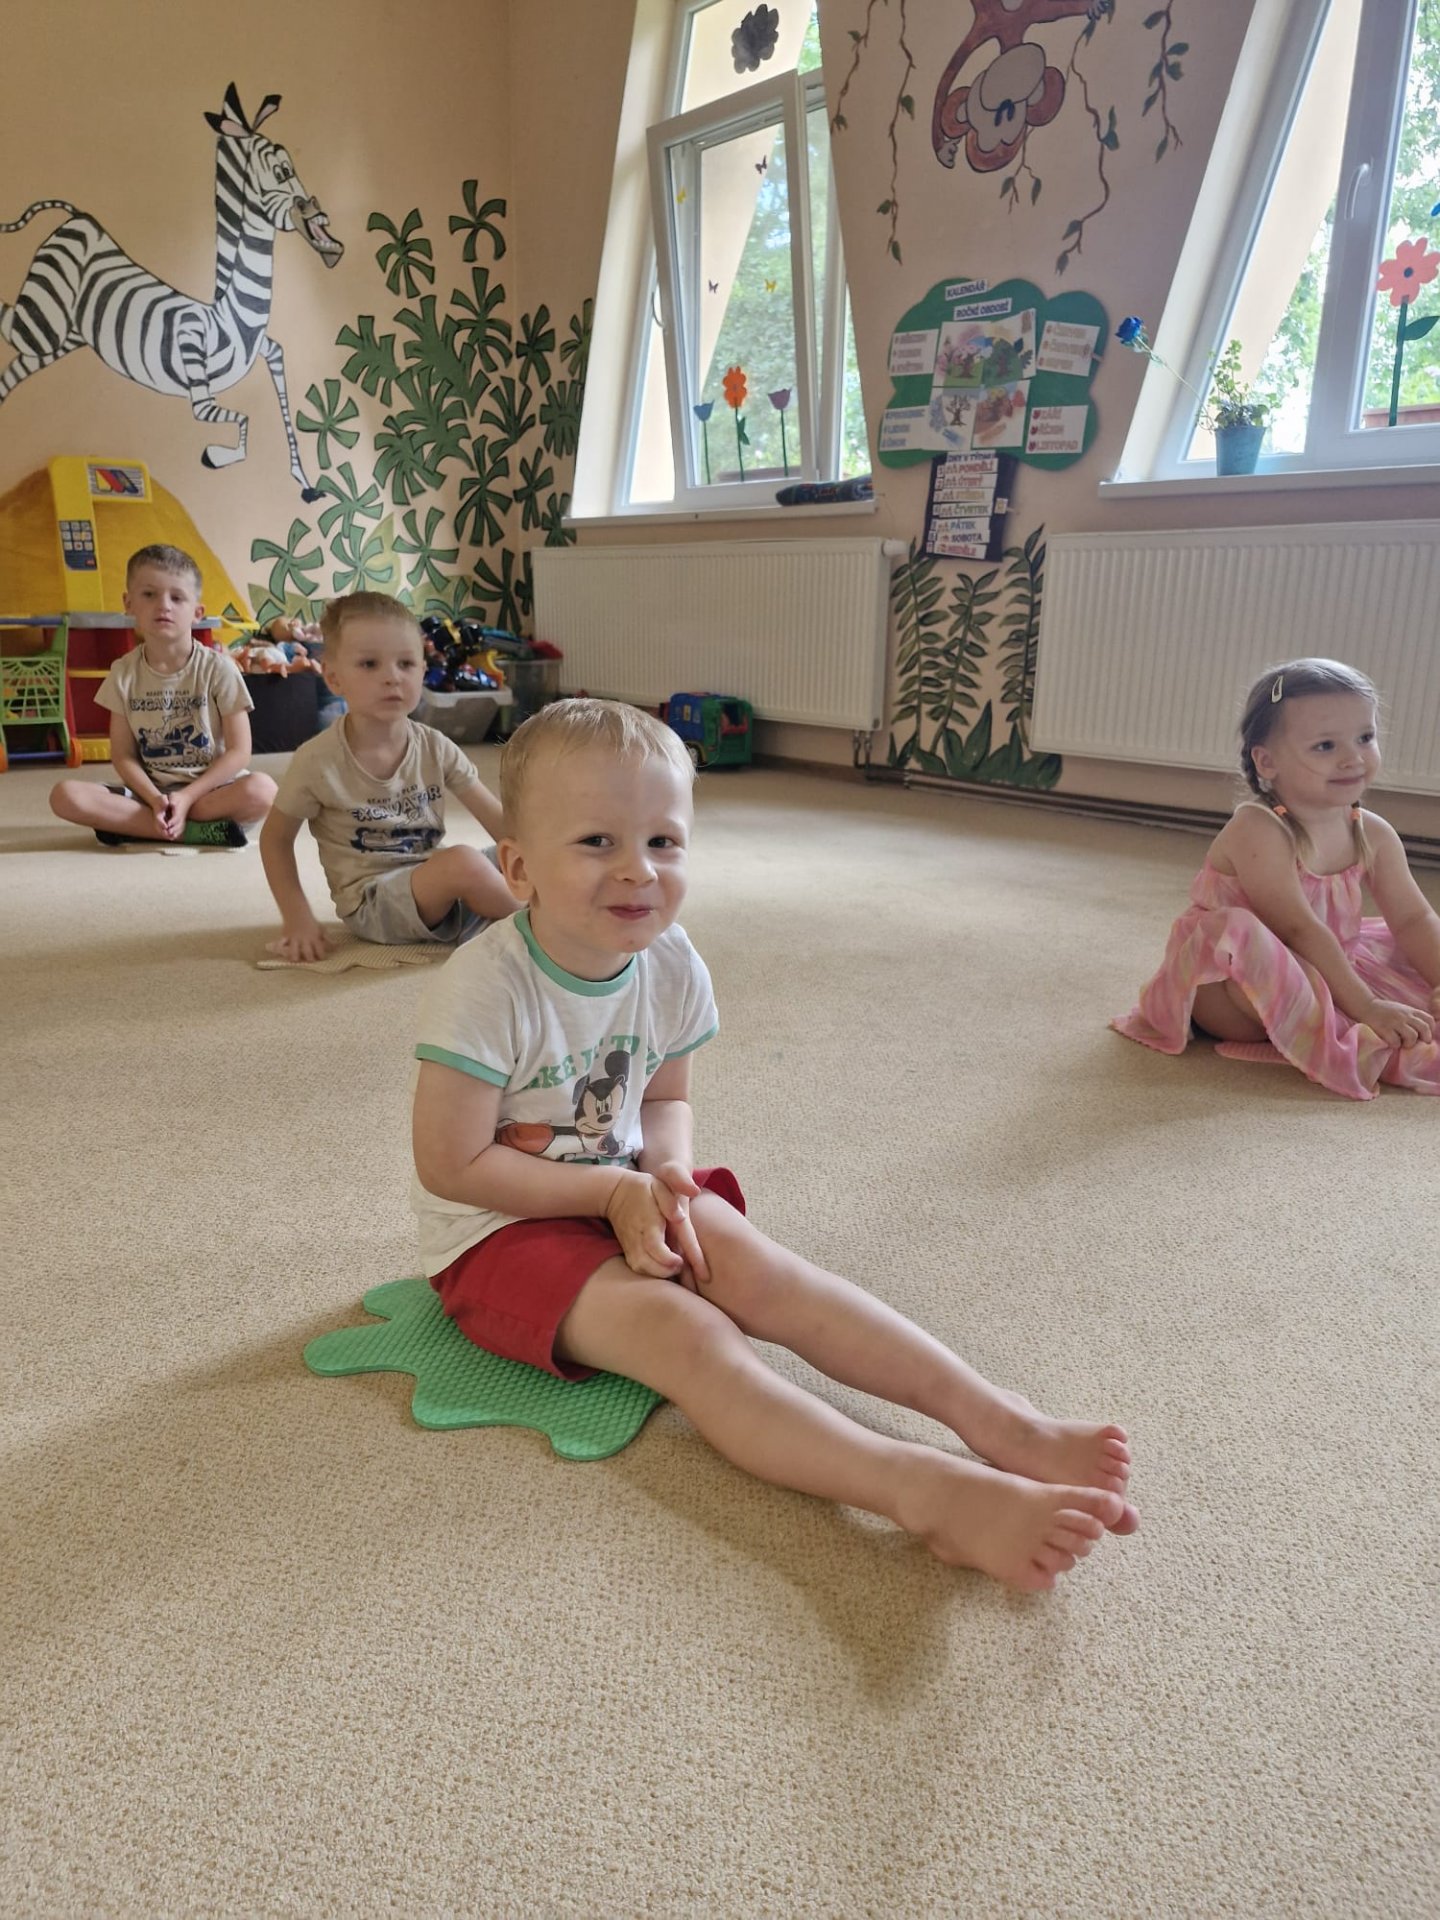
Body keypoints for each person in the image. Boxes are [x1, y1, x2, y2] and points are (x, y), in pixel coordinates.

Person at [410, 698, 1137, 1592]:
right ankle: (920, 1491)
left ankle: (998, 1420)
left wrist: (663, 1170)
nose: (638, 870)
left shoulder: (671, 961)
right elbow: (452, 1165)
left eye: (664, 842)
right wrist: (610, 1194)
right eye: (597, 842)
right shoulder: (486, 988)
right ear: (517, 867)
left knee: (772, 1277)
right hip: (499, 1234)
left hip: (625, 1184)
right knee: (689, 1336)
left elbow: (665, 1097)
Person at [1114, 657, 1440, 1099]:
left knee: (1407, 947)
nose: (1353, 758)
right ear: (1267, 762)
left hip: (1326, 960)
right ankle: (1339, 1026)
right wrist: (1366, 1006)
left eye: (1365, 737)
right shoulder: (1259, 829)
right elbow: (1296, 928)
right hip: (1234, 986)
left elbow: (1413, 918)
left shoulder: (1373, 831)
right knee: (1242, 929)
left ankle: (1346, 1007)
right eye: (1325, 746)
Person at [260, 592, 517, 960]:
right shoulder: (316, 761)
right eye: (369, 664)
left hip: (430, 875)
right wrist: (297, 916)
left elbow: (499, 823)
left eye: (406, 663)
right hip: (372, 901)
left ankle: (492, 917)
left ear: (423, 671)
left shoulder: (435, 745)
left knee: (508, 854)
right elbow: (275, 841)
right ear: (333, 677)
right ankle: (542, 923)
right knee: (464, 863)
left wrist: (540, 858)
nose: (392, 677)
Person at [48, 544, 275, 848]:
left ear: (197, 613)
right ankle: (190, 830)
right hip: (148, 795)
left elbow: (240, 752)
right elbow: (123, 755)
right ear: (129, 603)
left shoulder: (219, 669)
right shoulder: (123, 672)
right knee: (65, 795)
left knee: (263, 790)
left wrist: (187, 797)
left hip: (210, 793)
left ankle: (142, 827)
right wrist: (156, 799)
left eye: (177, 597)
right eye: (149, 594)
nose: (163, 605)